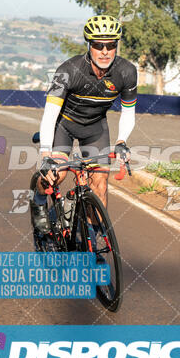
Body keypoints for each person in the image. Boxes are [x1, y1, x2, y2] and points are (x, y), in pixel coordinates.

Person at [30, 15, 137, 234]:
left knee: (100, 185)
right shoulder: (69, 70)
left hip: (95, 129)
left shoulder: (126, 71)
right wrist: (45, 154)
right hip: (64, 126)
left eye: (111, 45)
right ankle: (39, 199)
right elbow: (50, 115)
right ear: (89, 45)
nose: (105, 51)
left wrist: (121, 141)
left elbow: (128, 111)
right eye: (98, 45)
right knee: (56, 175)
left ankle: (92, 241)